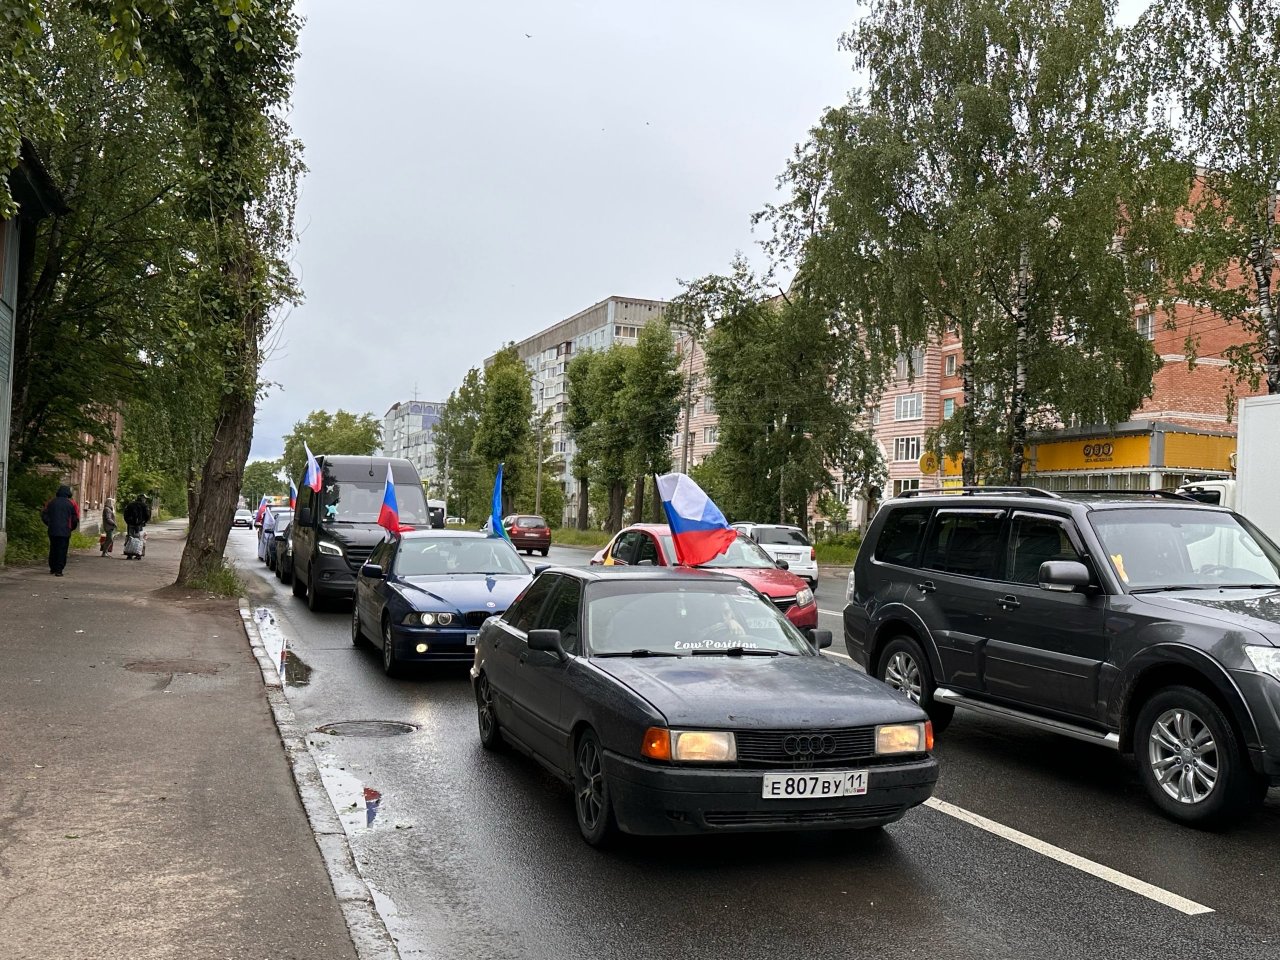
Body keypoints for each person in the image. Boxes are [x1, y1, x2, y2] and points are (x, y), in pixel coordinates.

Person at [41, 485, 80, 577]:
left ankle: (52, 568)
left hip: (53, 530)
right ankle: (59, 570)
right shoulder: (70, 504)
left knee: (53, 548)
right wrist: (71, 528)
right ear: (68, 493)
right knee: (62, 550)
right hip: (65, 530)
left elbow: (44, 515)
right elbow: (75, 518)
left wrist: (49, 523)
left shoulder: (52, 503)